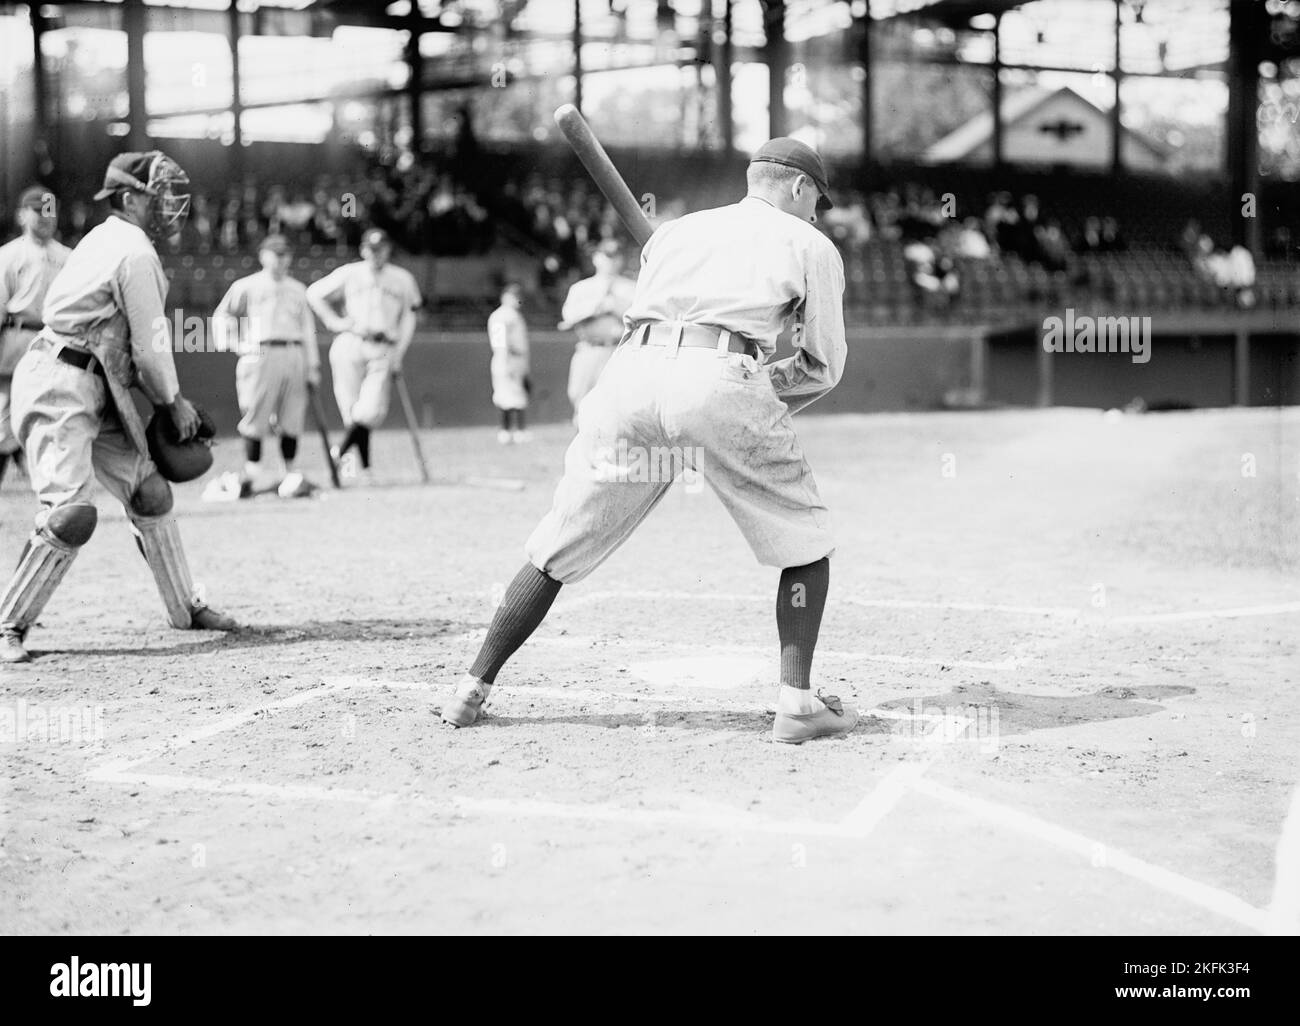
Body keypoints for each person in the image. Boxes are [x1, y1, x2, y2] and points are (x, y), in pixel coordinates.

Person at [441, 138, 855, 745]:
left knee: (559, 541)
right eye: (815, 199)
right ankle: (797, 704)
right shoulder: (809, 243)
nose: (816, 213)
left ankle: (469, 689)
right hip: (719, 374)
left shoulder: (677, 232)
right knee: (805, 539)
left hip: (628, 376)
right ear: (797, 186)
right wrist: (759, 386)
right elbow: (824, 365)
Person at [0, 151, 237, 663]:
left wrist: (168, 400)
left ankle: (185, 608)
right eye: (161, 194)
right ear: (130, 198)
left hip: (92, 377)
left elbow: (127, 349)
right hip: (59, 380)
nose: (171, 204)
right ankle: (9, 624)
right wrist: (172, 404)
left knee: (150, 493)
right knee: (70, 515)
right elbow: (152, 348)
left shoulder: (108, 239)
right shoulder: (133, 251)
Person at [208, 233, 320, 499]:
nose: (281, 260)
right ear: (263, 256)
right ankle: (253, 477)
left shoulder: (297, 289)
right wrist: (236, 344)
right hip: (261, 351)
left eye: (285, 254)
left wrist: (313, 365)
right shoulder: (247, 286)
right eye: (276, 254)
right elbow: (223, 315)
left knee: (292, 418)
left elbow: (308, 329)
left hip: (293, 351)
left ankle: (289, 476)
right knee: (256, 415)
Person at [306, 228, 421, 484]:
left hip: (383, 346)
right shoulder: (350, 272)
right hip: (352, 341)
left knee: (368, 410)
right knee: (351, 411)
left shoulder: (402, 278)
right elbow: (314, 293)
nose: (376, 253)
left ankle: (339, 453)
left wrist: (399, 352)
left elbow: (409, 318)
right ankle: (367, 471)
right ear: (363, 250)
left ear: (388, 250)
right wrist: (334, 321)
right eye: (371, 248)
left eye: (381, 248)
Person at [0, 186, 70, 487]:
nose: (45, 218)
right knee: (4, 417)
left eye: (50, 212)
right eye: (38, 211)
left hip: (53, 340)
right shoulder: (8, 254)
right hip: (17, 336)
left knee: (53, 416)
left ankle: (50, 488)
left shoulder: (67, 256)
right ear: (21, 215)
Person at [558, 239, 637, 425]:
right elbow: (567, 317)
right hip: (590, 349)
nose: (611, 261)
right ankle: (584, 451)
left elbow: (639, 317)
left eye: (616, 256)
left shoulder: (632, 287)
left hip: (621, 350)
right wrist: (597, 306)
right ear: (596, 258)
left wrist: (615, 306)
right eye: (607, 256)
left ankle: (615, 452)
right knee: (581, 400)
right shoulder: (581, 288)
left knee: (621, 406)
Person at [487, 282, 530, 444]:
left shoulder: (515, 315)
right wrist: (505, 363)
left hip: (518, 359)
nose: (517, 300)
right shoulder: (500, 315)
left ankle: (518, 431)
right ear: (505, 297)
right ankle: (506, 432)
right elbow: (499, 344)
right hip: (507, 358)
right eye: (513, 296)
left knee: (518, 395)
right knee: (506, 396)